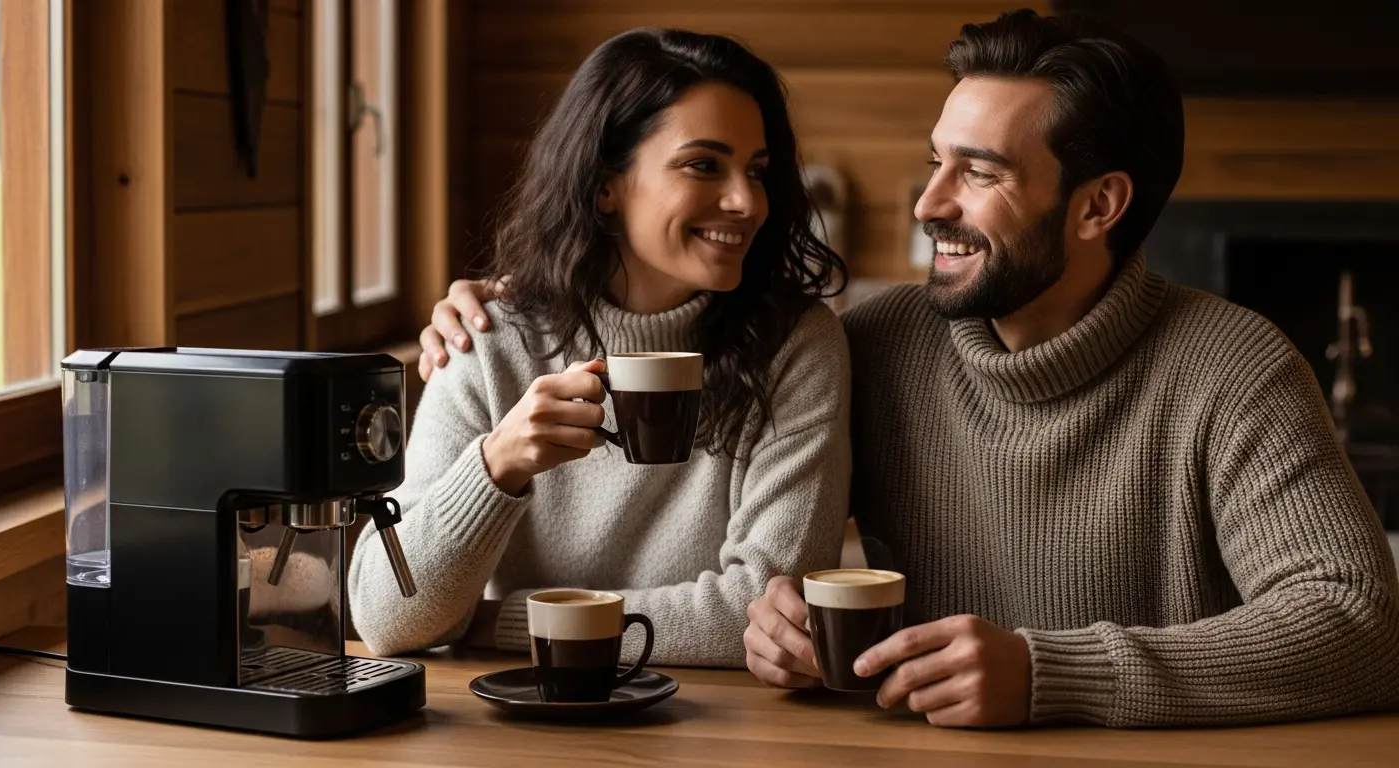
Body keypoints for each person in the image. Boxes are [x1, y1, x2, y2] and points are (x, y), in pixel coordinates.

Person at [427, 10, 1399, 728]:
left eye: (977, 173)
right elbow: (653, 315)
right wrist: (507, 301)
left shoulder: (1234, 368)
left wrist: (1049, 673)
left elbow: (1359, 622)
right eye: (935, 161)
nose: (929, 202)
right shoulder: (874, 342)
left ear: (1097, 206)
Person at [349, 28, 853, 667]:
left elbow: (766, 617)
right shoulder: (488, 338)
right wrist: (498, 464)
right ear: (605, 184)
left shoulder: (797, 345)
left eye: (757, 171)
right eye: (704, 164)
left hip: (719, 735)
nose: (746, 201)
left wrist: (493, 625)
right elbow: (386, 619)